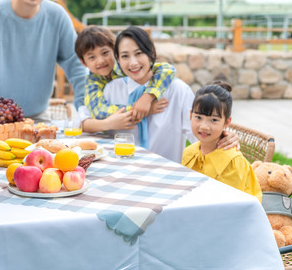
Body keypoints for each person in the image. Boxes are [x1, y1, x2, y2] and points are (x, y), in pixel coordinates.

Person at [103, 26, 239, 163]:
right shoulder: (111, 90)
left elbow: (199, 133)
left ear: (151, 53)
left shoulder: (177, 91)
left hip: (166, 172)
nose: (133, 62)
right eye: (125, 56)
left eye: (139, 53)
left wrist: (225, 136)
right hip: (121, 169)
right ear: (118, 61)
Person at [74, 25, 174, 133]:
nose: (100, 61)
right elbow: (98, 111)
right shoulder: (92, 83)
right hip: (117, 134)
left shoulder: (128, 66)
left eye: (105, 53)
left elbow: (168, 69)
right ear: (83, 62)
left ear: (115, 51)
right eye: (92, 57)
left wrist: (147, 97)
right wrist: (139, 110)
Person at [182, 82, 262, 202]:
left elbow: (229, 206)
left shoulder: (232, 162)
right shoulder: (190, 153)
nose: (204, 126)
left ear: (226, 122)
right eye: (198, 117)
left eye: (214, 120)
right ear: (190, 115)